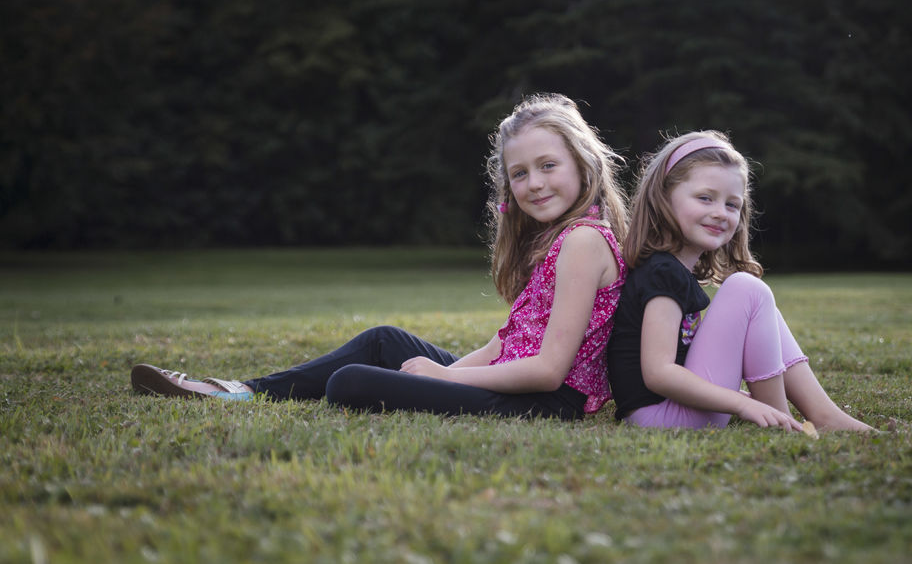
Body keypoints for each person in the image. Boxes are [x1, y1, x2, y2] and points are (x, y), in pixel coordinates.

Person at [131, 94, 628, 420]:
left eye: (547, 166)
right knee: (384, 341)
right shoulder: (559, 240)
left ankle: (235, 393)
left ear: (582, 163)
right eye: (519, 173)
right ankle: (237, 390)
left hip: (543, 402)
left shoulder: (583, 242)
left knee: (349, 383)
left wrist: (445, 376)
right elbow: (507, 344)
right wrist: (449, 374)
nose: (534, 183)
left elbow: (547, 370)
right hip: (520, 384)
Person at [606, 131, 873, 432]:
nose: (720, 213)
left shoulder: (672, 269)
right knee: (747, 288)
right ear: (664, 197)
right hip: (662, 417)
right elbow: (658, 373)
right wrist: (743, 403)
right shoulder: (662, 272)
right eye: (705, 198)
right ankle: (779, 418)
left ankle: (824, 415)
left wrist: (733, 396)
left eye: (732, 205)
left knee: (758, 301)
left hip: (672, 412)